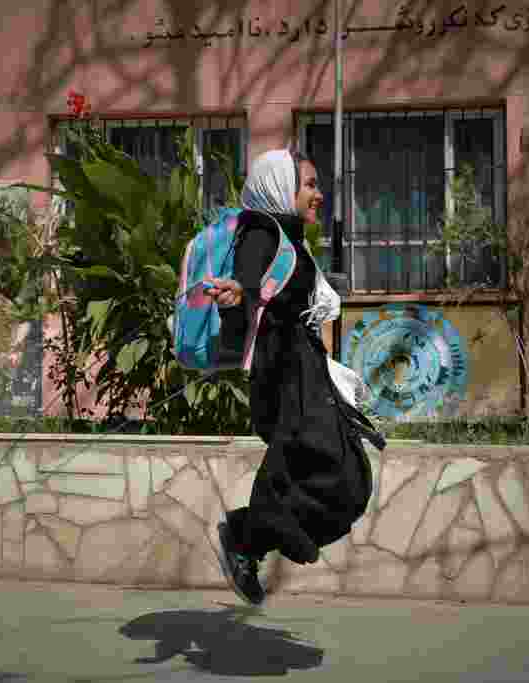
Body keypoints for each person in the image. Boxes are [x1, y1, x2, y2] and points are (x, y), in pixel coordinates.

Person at [205, 148, 385, 606]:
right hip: (284, 369)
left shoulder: (288, 235)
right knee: (316, 460)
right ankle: (247, 537)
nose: (318, 194)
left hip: (303, 366)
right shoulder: (262, 233)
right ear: (280, 188)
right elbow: (247, 284)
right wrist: (236, 295)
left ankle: (246, 537)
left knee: (349, 471)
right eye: (308, 184)